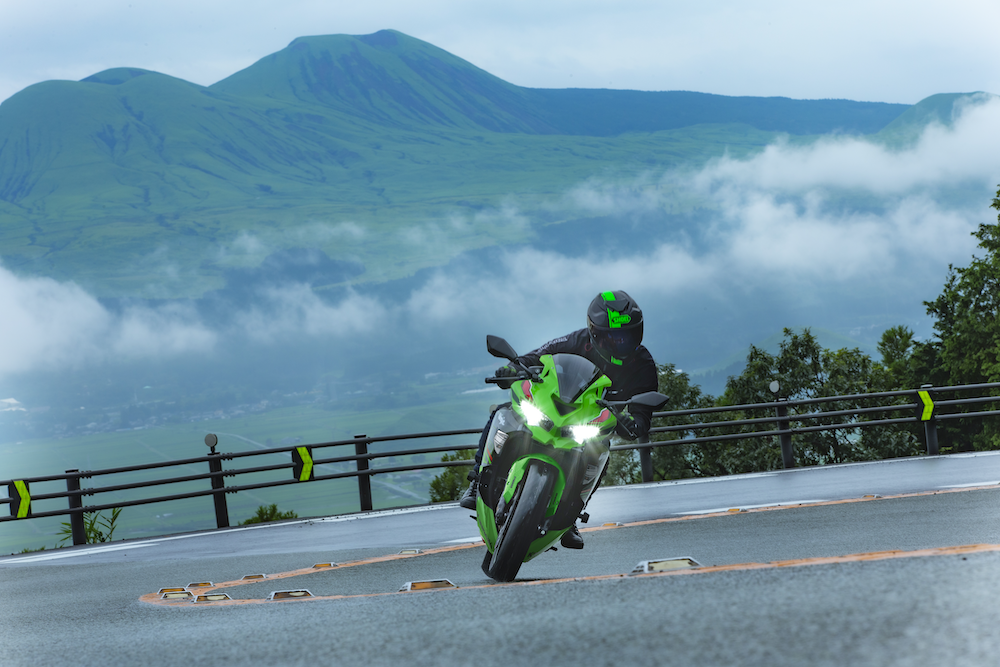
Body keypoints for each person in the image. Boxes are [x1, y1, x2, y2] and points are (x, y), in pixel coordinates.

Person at [460, 290, 658, 550]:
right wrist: (514, 368)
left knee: (601, 452)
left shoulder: (643, 364)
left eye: (627, 336)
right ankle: (477, 480)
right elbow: (536, 356)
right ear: (594, 333)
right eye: (613, 337)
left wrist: (633, 423)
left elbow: (643, 415)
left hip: (590, 421)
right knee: (504, 411)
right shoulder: (575, 341)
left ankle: (571, 515)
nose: (621, 342)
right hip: (554, 408)